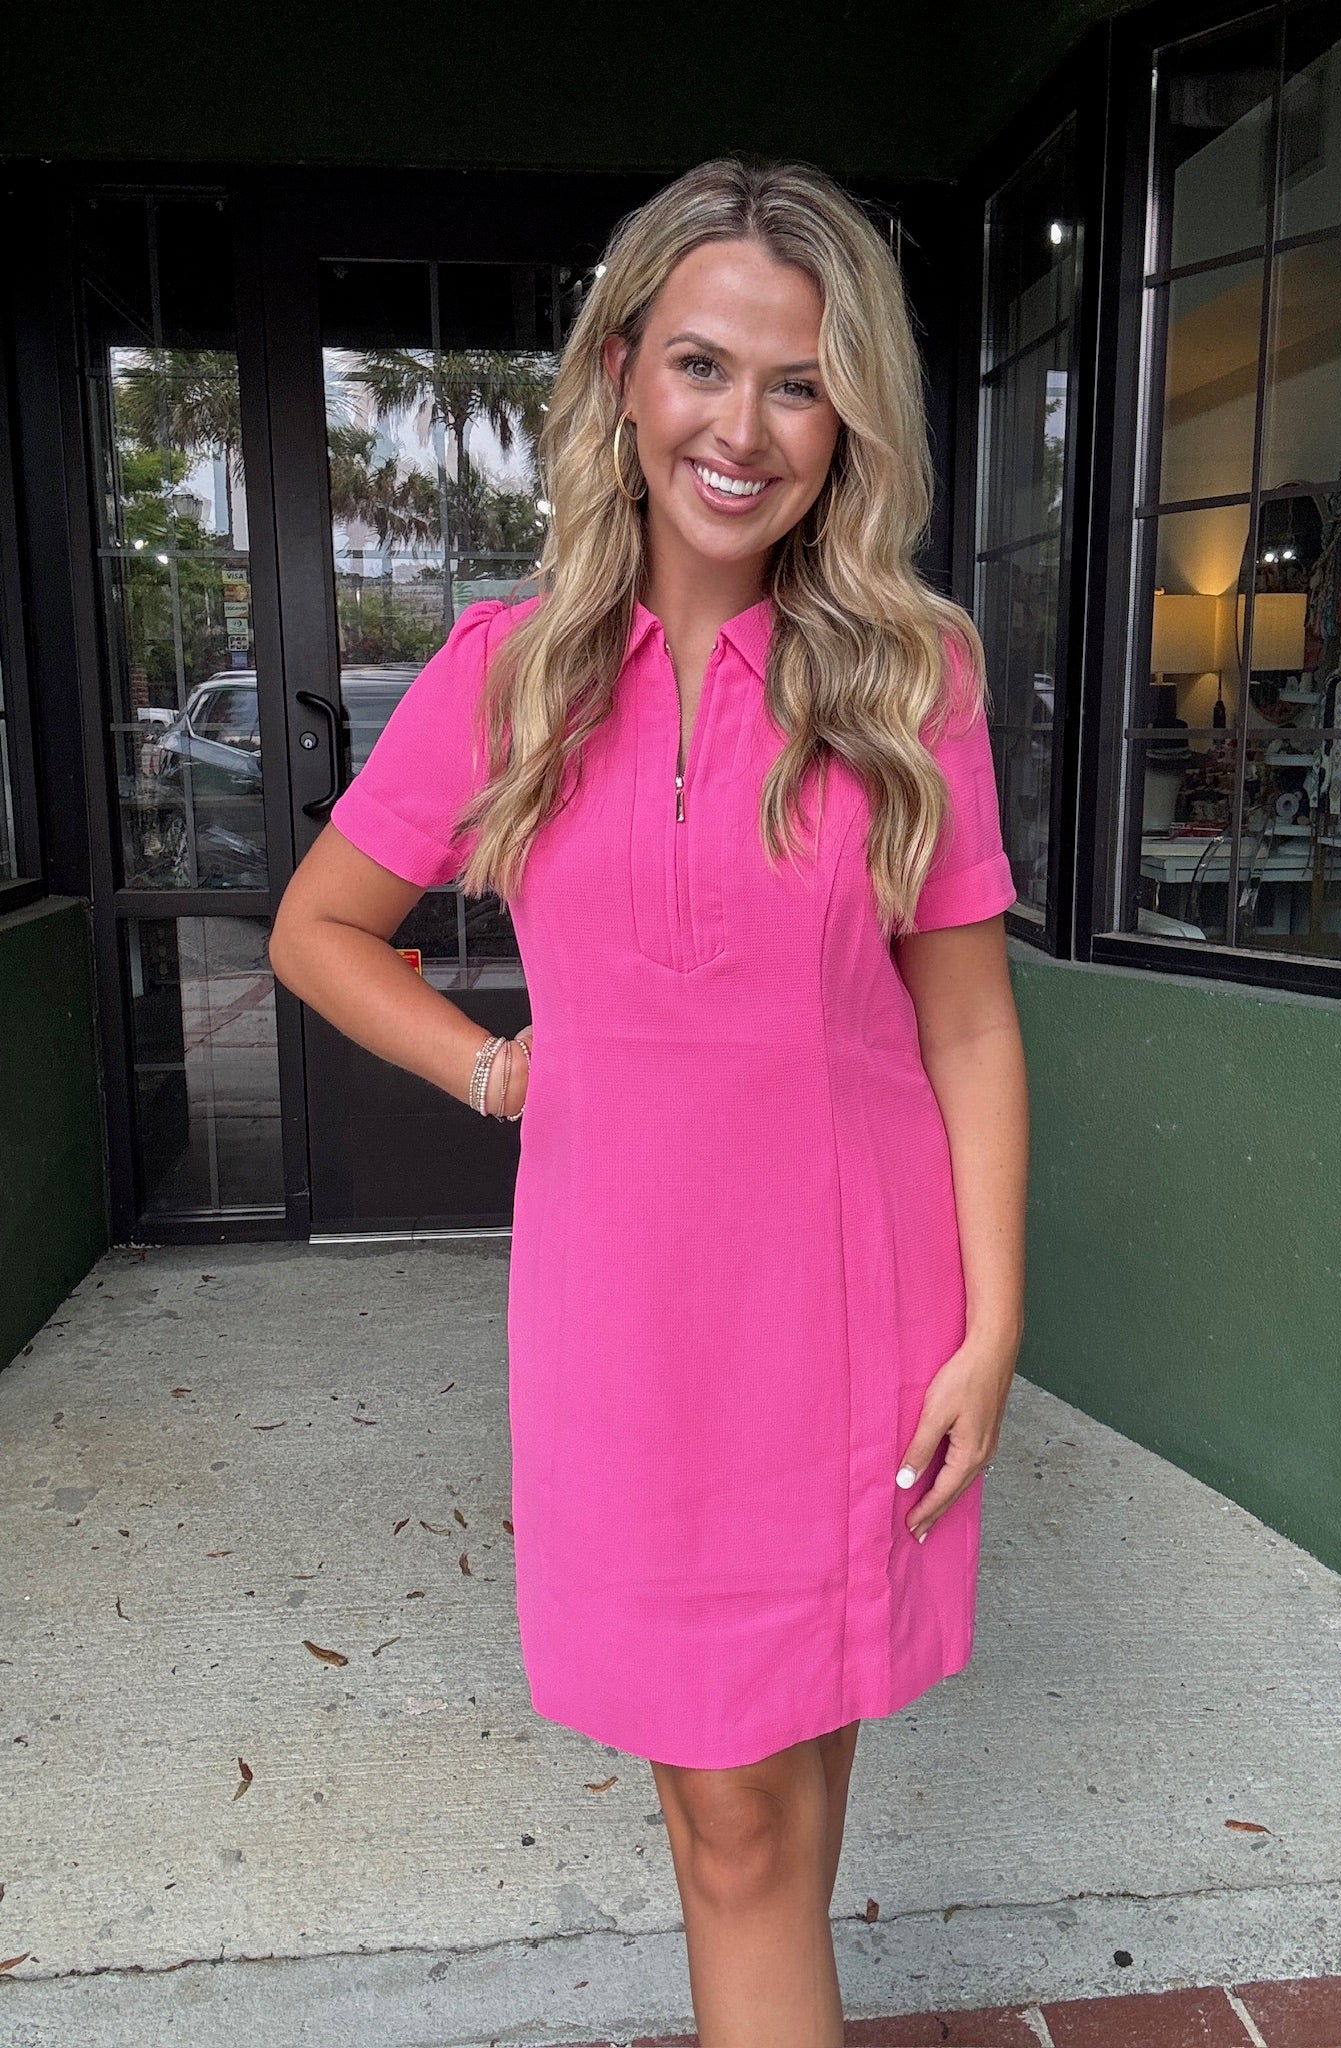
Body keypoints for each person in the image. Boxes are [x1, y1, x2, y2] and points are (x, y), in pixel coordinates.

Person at [269, 155, 1029, 2047]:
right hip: (628, 1331)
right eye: (703, 364)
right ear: (621, 375)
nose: (744, 428)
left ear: (848, 416)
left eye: (796, 382)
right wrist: (497, 1065)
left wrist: (995, 1322)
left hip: (861, 1311)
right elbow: (322, 928)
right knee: (734, 1832)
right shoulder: (507, 676)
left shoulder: (910, 671)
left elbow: (970, 1029)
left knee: (788, 1807)